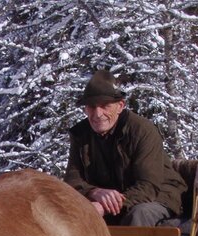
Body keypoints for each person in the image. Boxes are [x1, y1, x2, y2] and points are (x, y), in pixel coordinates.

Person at [64, 70, 187, 226]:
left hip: (157, 197)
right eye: (92, 107)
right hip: (106, 202)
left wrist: (105, 206)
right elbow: (72, 180)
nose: (97, 114)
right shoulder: (80, 134)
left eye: (105, 106)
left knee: (139, 214)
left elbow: (148, 186)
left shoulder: (142, 130)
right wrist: (94, 192)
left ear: (120, 106)